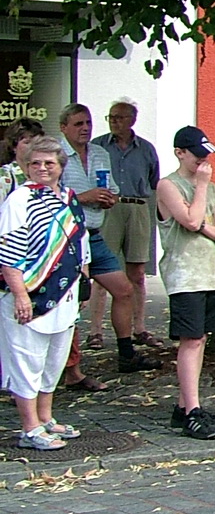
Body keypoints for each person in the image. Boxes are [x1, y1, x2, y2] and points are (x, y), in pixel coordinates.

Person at [1, 138, 89, 450]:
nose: (42, 168)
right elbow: (8, 253)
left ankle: (46, 417)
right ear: (26, 166)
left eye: (48, 163)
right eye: (35, 163)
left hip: (65, 294)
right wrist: (21, 294)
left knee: (54, 360)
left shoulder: (68, 197)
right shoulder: (19, 200)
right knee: (28, 361)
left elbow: (80, 242)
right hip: (30, 295)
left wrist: (84, 280)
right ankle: (29, 428)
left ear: (60, 166)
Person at [60, 104, 158, 374]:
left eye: (88, 123)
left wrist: (108, 198)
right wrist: (82, 198)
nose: (85, 128)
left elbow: (112, 188)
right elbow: (47, 197)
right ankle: (68, 365)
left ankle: (126, 353)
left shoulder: (99, 153)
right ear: (64, 127)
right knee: (72, 299)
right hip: (65, 238)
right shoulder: (55, 156)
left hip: (93, 234)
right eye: (78, 124)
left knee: (124, 288)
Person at [155, 127, 215, 440]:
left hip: (210, 272)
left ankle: (186, 404)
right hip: (184, 274)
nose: (204, 161)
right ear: (179, 153)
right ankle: (192, 411)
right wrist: (200, 189)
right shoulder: (168, 186)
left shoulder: (211, 189)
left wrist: (204, 227)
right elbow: (188, 221)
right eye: (197, 155)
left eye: (206, 155)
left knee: (201, 339)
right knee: (190, 338)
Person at [87, 101, 163, 351]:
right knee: (102, 271)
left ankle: (139, 327)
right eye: (111, 117)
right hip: (108, 207)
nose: (114, 121)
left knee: (137, 270)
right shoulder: (97, 146)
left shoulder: (146, 149)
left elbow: (153, 179)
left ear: (132, 119)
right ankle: (95, 331)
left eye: (119, 117)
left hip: (138, 205)